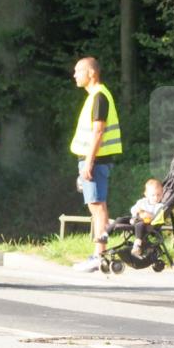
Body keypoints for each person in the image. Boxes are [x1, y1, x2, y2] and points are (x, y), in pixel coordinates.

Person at [69, 57, 122, 272]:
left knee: (97, 207)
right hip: (93, 160)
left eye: (78, 71)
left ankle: (99, 255)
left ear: (91, 73)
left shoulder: (99, 96)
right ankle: (99, 254)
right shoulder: (95, 96)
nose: (74, 75)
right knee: (97, 206)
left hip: (96, 160)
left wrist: (89, 163)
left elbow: (98, 131)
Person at [107, 178, 166, 259]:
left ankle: (137, 244)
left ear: (162, 194)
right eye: (153, 195)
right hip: (136, 218)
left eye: (158, 195)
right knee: (120, 219)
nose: (156, 197)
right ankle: (105, 235)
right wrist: (139, 213)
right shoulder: (142, 202)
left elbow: (155, 216)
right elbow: (133, 209)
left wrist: (146, 215)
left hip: (147, 223)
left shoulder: (159, 206)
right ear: (146, 194)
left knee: (140, 224)